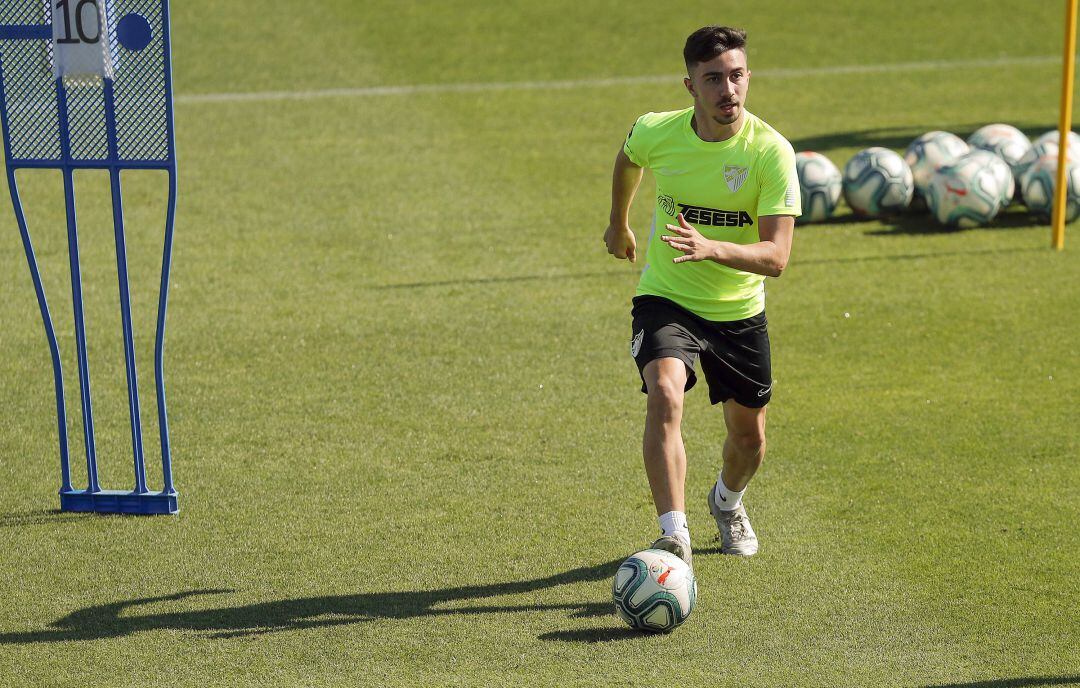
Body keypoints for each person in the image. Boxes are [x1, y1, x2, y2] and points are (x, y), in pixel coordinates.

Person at [603, 25, 800, 565]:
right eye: (713, 79)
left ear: (748, 78)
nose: (727, 90)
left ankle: (727, 502)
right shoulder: (658, 131)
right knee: (666, 392)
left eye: (736, 76)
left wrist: (712, 247)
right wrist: (618, 223)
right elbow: (628, 156)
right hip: (667, 297)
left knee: (749, 440)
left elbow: (777, 257)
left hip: (738, 311)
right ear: (689, 85)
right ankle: (674, 534)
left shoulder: (770, 153)